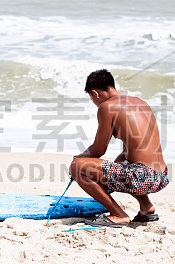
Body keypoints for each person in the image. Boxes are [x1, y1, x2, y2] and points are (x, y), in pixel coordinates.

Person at [69, 69, 169, 225]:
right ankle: (146, 206)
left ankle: (118, 214)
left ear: (95, 93)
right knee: (122, 164)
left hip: (143, 177)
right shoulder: (139, 102)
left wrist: (79, 158)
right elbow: (127, 152)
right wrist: (107, 175)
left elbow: (98, 150)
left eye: (91, 98)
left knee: (76, 167)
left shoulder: (107, 107)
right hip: (161, 175)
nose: (94, 103)